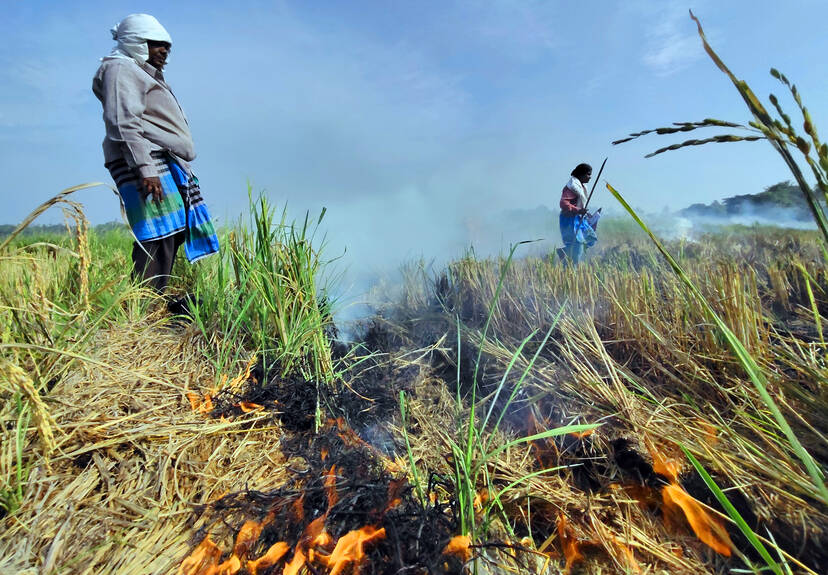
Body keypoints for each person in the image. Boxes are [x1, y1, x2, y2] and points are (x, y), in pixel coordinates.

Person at [93, 14, 219, 293]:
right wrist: (145, 169)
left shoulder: (139, 71)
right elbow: (122, 121)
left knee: (172, 230)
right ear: (135, 43)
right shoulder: (120, 69)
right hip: (144, 160)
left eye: (166, 46)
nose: (163, 51)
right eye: (155, 44)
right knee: (157, 231)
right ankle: (145, 303)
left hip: (158, 159)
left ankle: (153, 298)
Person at [558, 163, 592, 265]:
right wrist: (578, 210)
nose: (590, 177)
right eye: (588, 174)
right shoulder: (572, 187)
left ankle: (564, 252)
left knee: (588, 238)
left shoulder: (581, 186)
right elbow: (563, 203)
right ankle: (570, 271)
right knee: (577, 247)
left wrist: (584, 213)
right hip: (570, 220)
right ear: (581, 174)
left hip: (577, 219)